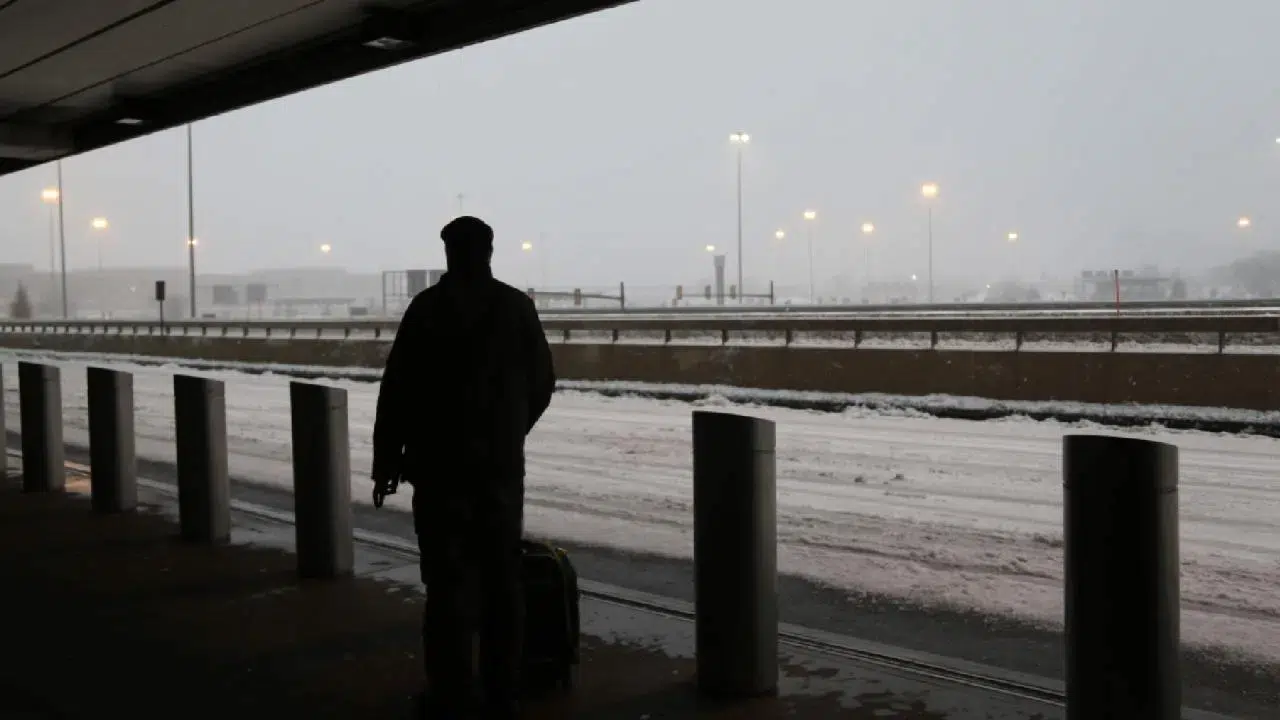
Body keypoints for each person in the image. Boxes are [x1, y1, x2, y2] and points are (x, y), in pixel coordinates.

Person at [371, 216, 556, 719]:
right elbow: (542, 382)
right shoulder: (515, 307)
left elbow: (397, 390)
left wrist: (387, 459)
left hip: (437, 470)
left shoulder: (426, 309)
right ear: (490, 252)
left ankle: (450, 692)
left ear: (448, 253)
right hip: (497, 470)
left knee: (446, 584)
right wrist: (509, 432)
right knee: (501, 582)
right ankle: (502, 691)